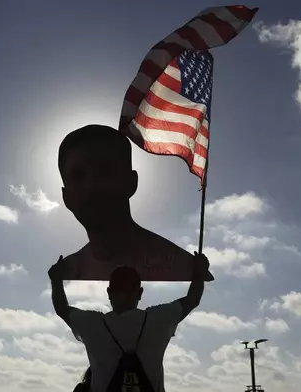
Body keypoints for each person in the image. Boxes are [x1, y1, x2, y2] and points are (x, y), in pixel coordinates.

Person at [57, 124, 212, 282]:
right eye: (77, 176)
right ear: (66, 197)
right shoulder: (68, 271)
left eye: (105, 171)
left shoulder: (182, 267)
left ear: (131, 182)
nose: (92, 186)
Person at [49, 250, 210, 392]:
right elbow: (192, 299)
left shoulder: (92, 324)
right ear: (139, 293)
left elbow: (62, 308)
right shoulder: (158, 319)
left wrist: (56, 281)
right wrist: (199, 273)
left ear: (109, 292)